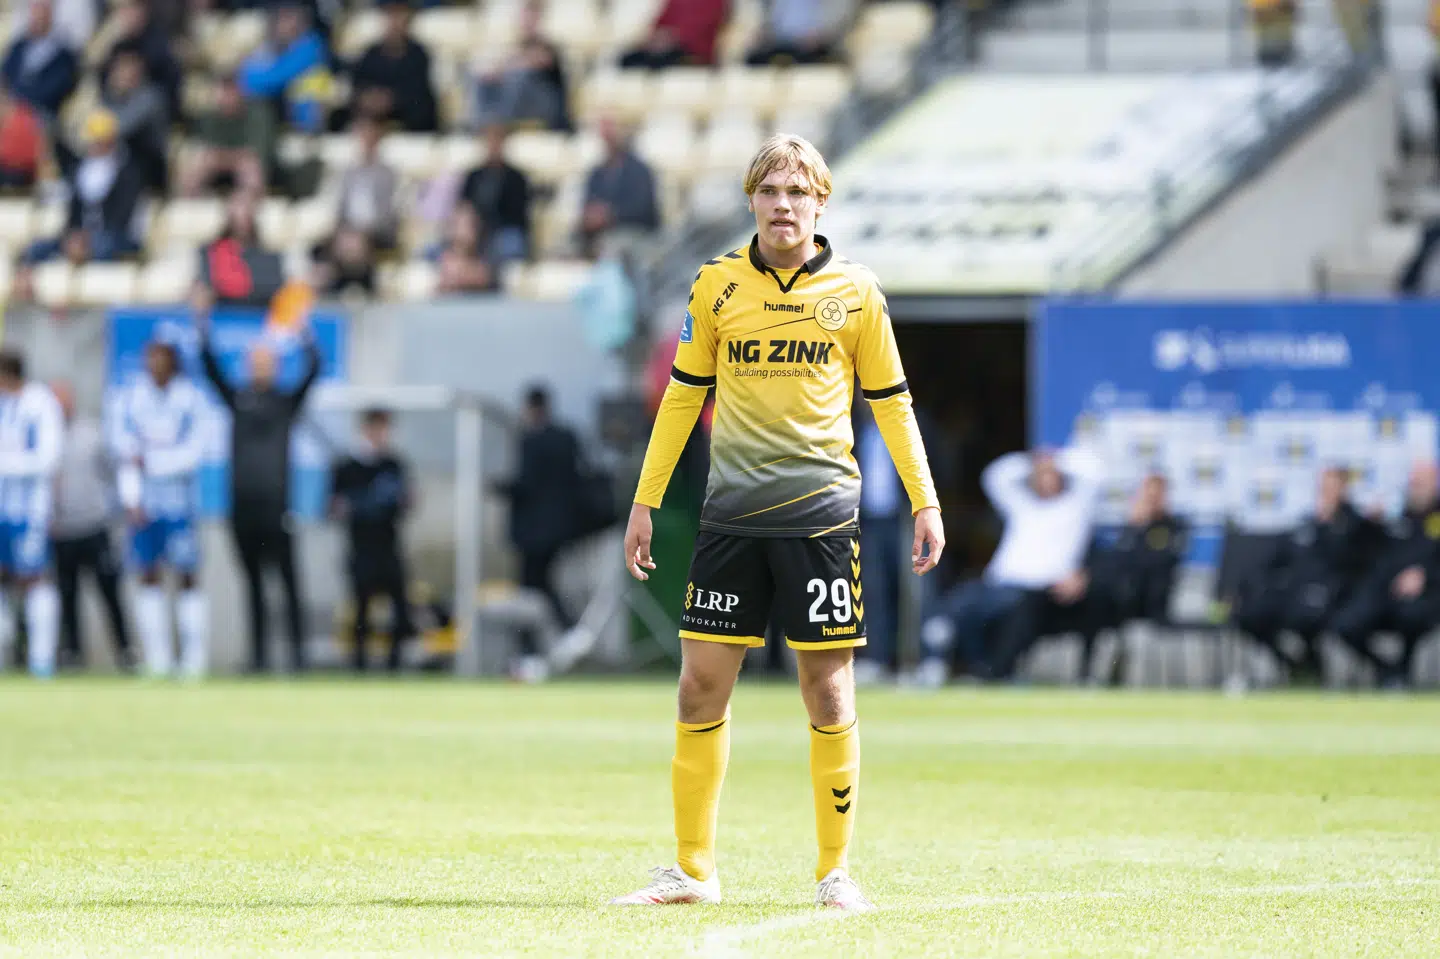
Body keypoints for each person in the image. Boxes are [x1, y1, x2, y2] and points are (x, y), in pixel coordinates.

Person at [611, 135, 943, 911]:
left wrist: (924, 498)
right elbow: (684, 395)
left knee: (827, 691)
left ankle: (835, 872)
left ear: (821, 201)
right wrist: (646, 499)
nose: (783, 204)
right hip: (731, 520)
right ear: (751, 201)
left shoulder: (857, 294)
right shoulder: (717, 285)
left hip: (821, 519)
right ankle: (692, 871)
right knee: (699, 687)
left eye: (797, 191)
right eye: (769, 191)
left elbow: (891, 403)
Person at [198, 310, 322, 673]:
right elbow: (210, 371)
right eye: (255, 361)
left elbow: (314, 370)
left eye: (266, 362)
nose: (260, 367)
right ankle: (259, 657)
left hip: (276, 510)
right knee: (252, 586)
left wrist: (303, 334)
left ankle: (298, 657)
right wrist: (203, 323)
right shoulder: (238, 399)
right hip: (243, 510)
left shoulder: (285, 403)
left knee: (288, 584)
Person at [915, 448, 1101, 685]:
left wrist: (1056, 461)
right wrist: (1033, 462)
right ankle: (936, 663)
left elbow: (1094, 474)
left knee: (1012, 611)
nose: (1046, 480)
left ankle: (989, 674)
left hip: (1037, 588)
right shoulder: (1023, 505)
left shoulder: (1075, 506)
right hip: (998, 583)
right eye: (1041, 475)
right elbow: (995, 476)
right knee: (955, 607)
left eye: (1051, 475)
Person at [112, 340, 209, 678]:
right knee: (147, 574)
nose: (155, 363)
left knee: (187, 576)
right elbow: (125, 452)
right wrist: (131, 498)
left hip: (180, 504)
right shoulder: (132, 398)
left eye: (161, 357)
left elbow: (195, 452)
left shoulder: (190, 399)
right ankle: (158, 658)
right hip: (146, 506)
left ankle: (194, 660)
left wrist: (152, 462)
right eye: (150, 357)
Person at [1232, 466, 1382, 683]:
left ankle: (1313, 664)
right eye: (1323, 487)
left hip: (1334, 596)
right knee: (1249, 614)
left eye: (1332, 487)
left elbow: (1349, 559)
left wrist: (1329, 523)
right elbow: (1276, 558)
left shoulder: (1356, 525)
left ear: (1344, 489)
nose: (1326, 492)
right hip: (1294, 593)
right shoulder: (1307, 523)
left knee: (1308, 617)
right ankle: (1294, 663)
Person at [495, 386, 582, 679]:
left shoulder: (531, 441)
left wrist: (498, 487)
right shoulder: (566, 438)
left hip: (534, 533)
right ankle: (556, 639)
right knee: (540, 584)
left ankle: (538, 649)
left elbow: (526, 484)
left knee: (532, 588)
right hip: (560, 529)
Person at [1331, 462, 1440, 688]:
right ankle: (1385, 669)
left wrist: (1425, 575)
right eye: (1414, 479)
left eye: (1422, 479)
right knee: (1345, 625)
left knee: (1412, 615)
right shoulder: (1394, 511)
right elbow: (1356, 550)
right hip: (1382, 591)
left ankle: (1403, 671)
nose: (1416, 484)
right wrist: (1369, 522)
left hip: (1427, 594)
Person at [50, 380, 132, 671]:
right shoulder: (46, 433)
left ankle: (126, 651)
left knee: (109, 591)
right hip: (61, 528)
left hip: (94, 525)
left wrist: (114, 513)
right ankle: (73, 654)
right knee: (67, 595)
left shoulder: (92, 433)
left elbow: (112, 473)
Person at [329, 408, 414, 672]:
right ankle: (360, 664)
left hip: (388, 545)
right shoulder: (347, 467)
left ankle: (394, 663)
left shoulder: (394, 464)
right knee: (362, 607)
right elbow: (334, 507)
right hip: (361, 547)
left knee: (400, 606)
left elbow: (403, 503)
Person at [1085, 473, 1188, 684]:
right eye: (1148, 493)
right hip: (1124, 599)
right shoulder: (1129, 527)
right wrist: (1136, 527)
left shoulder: (1175, 526)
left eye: (1157, 493)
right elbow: (1116, 562)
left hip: (1155, 600)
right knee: (1093, 607)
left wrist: (1141, 533)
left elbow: (1159, 562)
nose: (1152, 499)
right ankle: (1088, 674)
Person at [0, 350, 63, 678]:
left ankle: (41, 661)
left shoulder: (40, 404)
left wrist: (7, 464)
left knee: (34, 578)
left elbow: (48, 458)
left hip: (30, 510)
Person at [347, 0, 438, 133]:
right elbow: (358, 87)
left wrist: (392, 100)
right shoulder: (371, 54)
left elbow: (420, 96)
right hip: (372, 118)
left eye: (399, 14)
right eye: (390, 14)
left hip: (407, 120)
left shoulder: (418, 55)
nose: (395, 21)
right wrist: (369, 98)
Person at [579, 116, 659, 259]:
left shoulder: (640, 171)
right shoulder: (596, 173)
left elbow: (644, 210)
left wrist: (610, 215)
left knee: (612, 247)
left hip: (634, 233)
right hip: (596, 236)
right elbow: (587, 205)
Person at [459, 124, 531, 263]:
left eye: (497, 140)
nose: (493, 145)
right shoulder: (473, 176)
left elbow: (518, 216)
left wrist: (486, 225)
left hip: (503, 231)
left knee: (510, 244)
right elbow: (464, 207)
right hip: (475, 232)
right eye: (489, 140)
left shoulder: (516, 178)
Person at [2, 0, 79, 117]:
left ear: (50, 16)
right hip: (10, 109)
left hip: (40, 114)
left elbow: (55, 90)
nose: (37, 19)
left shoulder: (64, 55)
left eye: (41, 14)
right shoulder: (19, 45)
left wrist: (19, 102)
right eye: (34, 14)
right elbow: (5, 74)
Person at [618, 0, 729, 69]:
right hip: (667, 48)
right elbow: (660, 22)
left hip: (694, 52)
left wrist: (671, 37)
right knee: (629, 59)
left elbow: (704, 26)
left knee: (658, 62)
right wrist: (654, 37)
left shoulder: (715, 1)